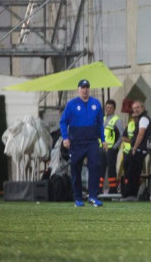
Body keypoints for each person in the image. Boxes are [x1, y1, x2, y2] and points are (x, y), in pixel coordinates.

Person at [60, 79, 105, 207]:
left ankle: (93, 196)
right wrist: (65, 138)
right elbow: (63, 122)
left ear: (89, 89)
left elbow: (100, 124)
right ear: (78, 89)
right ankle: (78, 198)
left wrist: (103, 139)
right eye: (82, 87)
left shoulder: (96, 103)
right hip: (77, 142)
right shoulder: (71, 104)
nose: (85, 90)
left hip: (92, 142)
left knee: (95, 167)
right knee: (75, 169)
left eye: (87, 87)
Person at [121, 101, 151, 201]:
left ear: (143, 108)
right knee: (129, 168)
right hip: (138, 149)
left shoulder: (143, 119)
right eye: (134, 108)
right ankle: (128, 193)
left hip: (139, 149)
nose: (136, 110)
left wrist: (134, 148)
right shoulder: (140, 119)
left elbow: (141, 134)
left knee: (133, 171)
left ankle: (131, 194)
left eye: (138, 107)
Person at [100, 99, 123, 193]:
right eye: (107, 107)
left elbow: (122, 135)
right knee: (100, 169)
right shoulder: (103, 119)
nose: (108, 109)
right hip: (102, 148)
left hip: (111, 149)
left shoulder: (117, 120)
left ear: (114, 109)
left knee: (111, 170)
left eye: (111, 108)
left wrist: (115, 147)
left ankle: (113, 190)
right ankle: (99, 189)